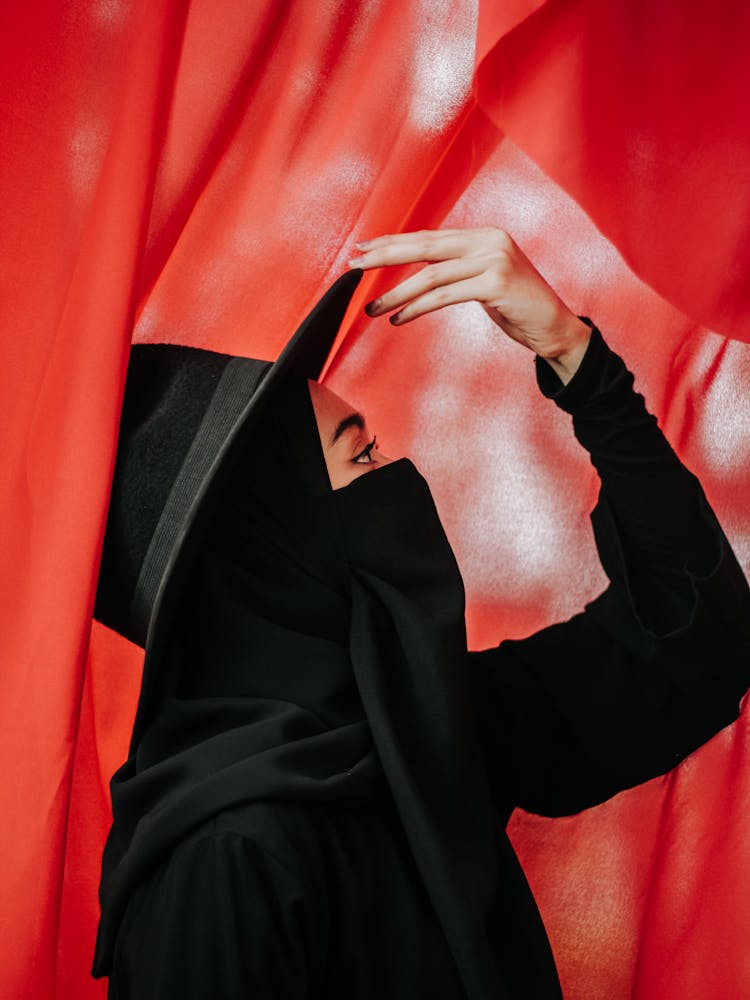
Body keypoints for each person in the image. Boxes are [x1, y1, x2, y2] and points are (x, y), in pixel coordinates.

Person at [92, 227, 750, 999]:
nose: (401, 477)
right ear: (274, 549)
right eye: (361, 456)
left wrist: (574, 356)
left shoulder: (422, 732)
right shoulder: (222, 861)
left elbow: (696, 635)